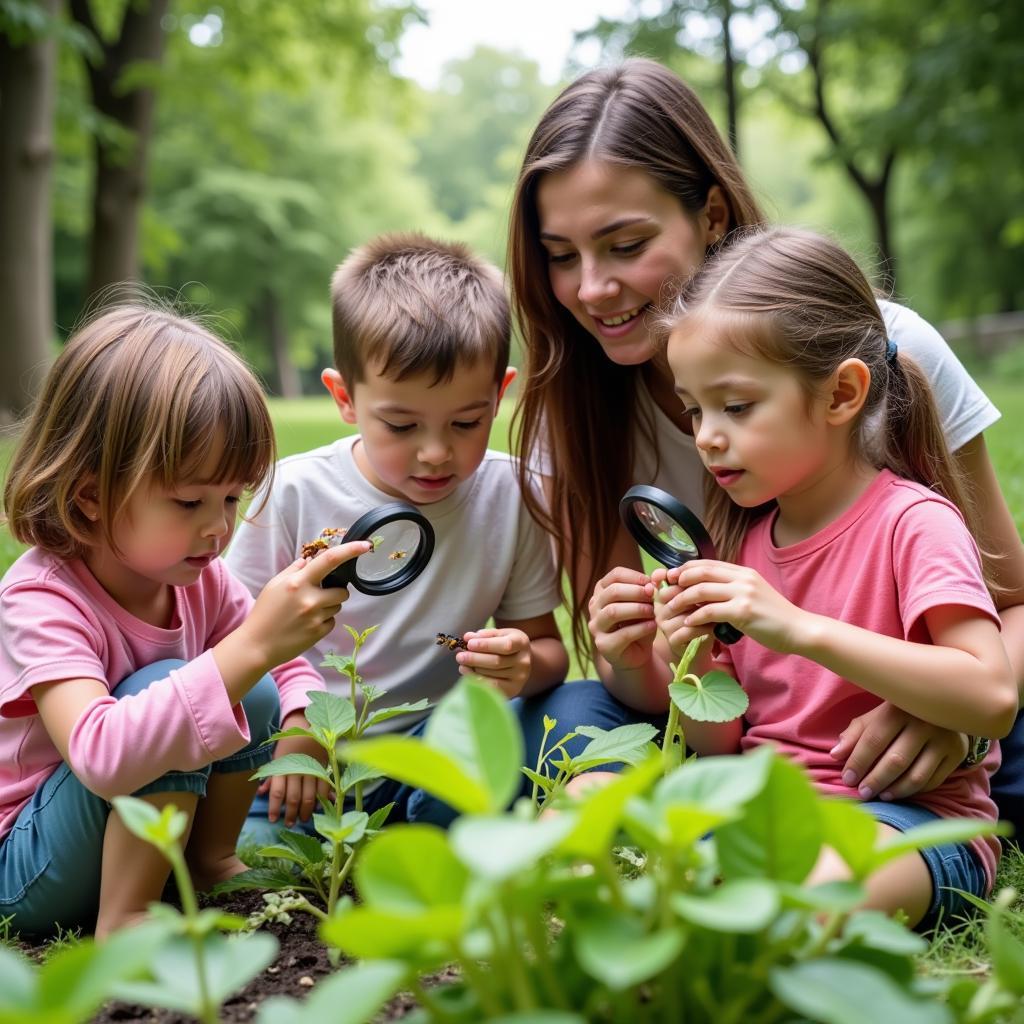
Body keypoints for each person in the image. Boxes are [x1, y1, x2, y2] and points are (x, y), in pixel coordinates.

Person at [507, 58, 1024, 822]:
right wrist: (629, 649)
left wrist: (946, 717)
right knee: (566, 716)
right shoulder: (575, 411)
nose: (590, 288)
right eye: (560, 256)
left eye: (624, 245)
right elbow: (651, 685)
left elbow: (1010, 602)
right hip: (748, 726)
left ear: (712, 214)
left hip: (907, 705)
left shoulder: (883, 349)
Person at [650, 227, 1015, 927]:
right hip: (766, 811)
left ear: (842, 394)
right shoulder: (743, 540)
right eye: (695, 409)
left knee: (795, 901)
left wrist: (800, 628)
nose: (706, 436)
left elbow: (992, 694)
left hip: (906, 821)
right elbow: (721, 743)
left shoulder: (915, 524)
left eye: (736, 406)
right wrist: (682, 660)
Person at [0, 303, 366, 937]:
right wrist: (250, 645)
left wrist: (304, 710)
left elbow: (276, 666)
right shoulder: (42, 598)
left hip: (130, 841)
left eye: (232, 497)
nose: (219, 527)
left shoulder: (201, 578)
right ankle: (127, 919)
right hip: (31, 865)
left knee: (245, 682)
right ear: (92, 494)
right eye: (190, 500)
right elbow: (102, 757)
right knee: (175, 686)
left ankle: (205, 863)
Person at [225, 233, 569, 840]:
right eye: (401, 424)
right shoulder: (295, 493)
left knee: (559, 724)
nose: (436, 453)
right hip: (298, 764)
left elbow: (547, 652)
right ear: (344, 397)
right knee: (255, 855)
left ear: (500, 393)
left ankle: (422, 826)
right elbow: (226, 638)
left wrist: (520, 664)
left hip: (432, 753)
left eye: (467, 422)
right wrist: (300, 716)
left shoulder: (511, 496)